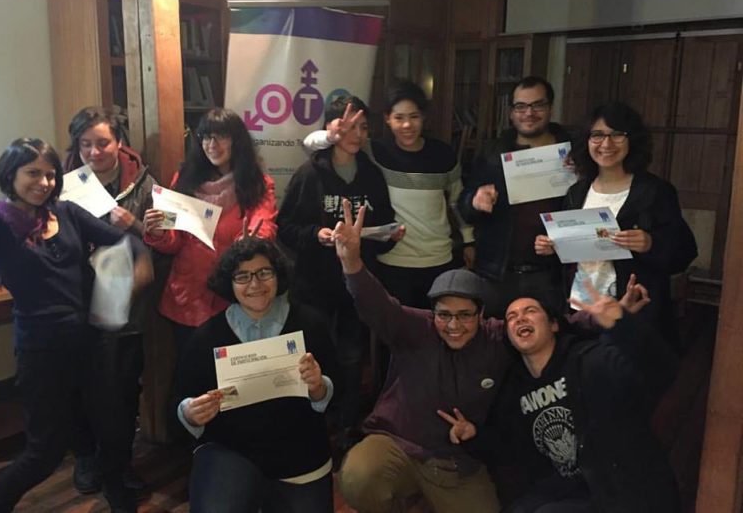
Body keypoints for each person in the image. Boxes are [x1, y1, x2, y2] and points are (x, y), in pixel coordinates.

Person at [0, 140, 153, 513]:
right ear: (10, 175)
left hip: (92, 342)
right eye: (33, 173)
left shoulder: (67, 212)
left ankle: (118, 493)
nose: (44, 182)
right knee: (44, 452)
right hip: (42, 351)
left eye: (50, 174)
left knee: (113, 429)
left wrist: (136, 269)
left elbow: (126, 241)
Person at [440, 283, 679, 513]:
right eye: (512, 317)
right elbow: (509, 447)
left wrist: (622, 324)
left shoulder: (589, 360)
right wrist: (474, 436)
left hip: (625, 488)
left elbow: (661, 370)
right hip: (570, 489)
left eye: (530, 311)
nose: (520, 319)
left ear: (554, 324)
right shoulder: (515, 388)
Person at [331, 199, 506, 513]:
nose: (453, 325)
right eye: (444, 315)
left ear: (481, 314)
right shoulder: (418, 328)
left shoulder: (496, 337)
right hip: (400, 446)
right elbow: (378, 305)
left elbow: (549, 328)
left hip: (458, 463)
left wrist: (598, 319)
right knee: (359, 477)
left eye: (465, 315)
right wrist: (352, 262)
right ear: (433, 312)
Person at [175, 237, 338, 513]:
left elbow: (339, 389)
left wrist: (319, 387)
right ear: (229, 283)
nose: (255, 284)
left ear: (278, 275)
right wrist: (190, 412)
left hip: (300, 447)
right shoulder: (207, 336)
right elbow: (180, 399)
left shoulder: (310, 324)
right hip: (231, 447)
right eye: (242, 276)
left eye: (264, 273)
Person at [278, 95, 403, 448]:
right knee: (313, 353)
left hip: (356, 283)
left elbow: (381, 227)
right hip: (314, 283)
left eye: (363, 127)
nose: (357, 134)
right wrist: (315, 234)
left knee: (352, 356)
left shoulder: (372, 175)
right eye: (348, 126)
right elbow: (285, 227)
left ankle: (347, 426)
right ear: (330, 129)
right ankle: (311, 424)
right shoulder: (310, 174)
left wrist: (390, 236)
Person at [535, 102, 697, 342]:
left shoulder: (655, 192)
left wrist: (651, 243)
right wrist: (550, 246)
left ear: (632, 140)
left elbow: (685, 252)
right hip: (580, 308)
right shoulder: (576, 193)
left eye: (617, 135)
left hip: (633, 311)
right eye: (597, 135)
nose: (606, 144)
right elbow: (568, 253)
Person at [304, 80, 474, 309]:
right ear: (387, 119)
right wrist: (331, 136)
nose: (407, 125)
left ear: (423, 117)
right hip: (391, 262)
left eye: (414, 116)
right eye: (399, 117)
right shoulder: (375, 151)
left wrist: (469, 241)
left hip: (439, 258)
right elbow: (309, 145)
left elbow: (457, 201)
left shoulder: (443, 154)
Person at [63, 106, 157, 494]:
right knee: (78, 388)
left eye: (102, 142)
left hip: (126, 307)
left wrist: (134, 224)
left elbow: (167, 238)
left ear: (119, 142)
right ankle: (87, 457)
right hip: (77, 304)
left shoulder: (145, 184)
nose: (94, 152)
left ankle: (120, 462)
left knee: (123, 390)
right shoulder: (64, 184)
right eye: (85, 144)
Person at [143, 108, 277, 352]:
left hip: (234, 291)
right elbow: (175, 240)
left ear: (237, 141)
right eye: (206, 137)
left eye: (220, 137)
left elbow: (264, 223)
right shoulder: (184, 179)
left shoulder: (256, 183)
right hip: (188, 294)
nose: (212, 145)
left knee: (232, 367)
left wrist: (251, 243)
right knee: (190, 367)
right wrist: (160, 233)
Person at [458, 76, 570, 318]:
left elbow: (584, 208)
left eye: (537, 105)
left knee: (548, 335)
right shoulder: (493, 152)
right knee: (493, 336)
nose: (529, 113)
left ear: (550, 108)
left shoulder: (573, 153)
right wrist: (475, 201)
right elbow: (464, 205)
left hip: (550, 274)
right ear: (511, 112)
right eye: (521, 106)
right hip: (497, 272)